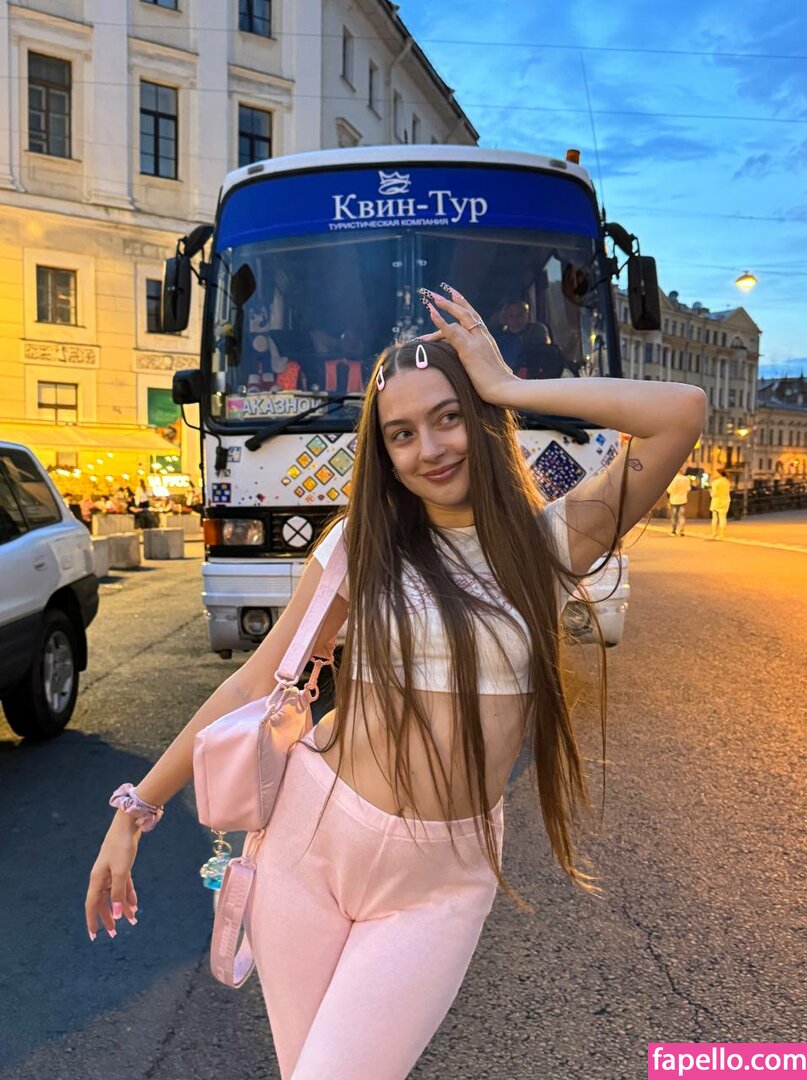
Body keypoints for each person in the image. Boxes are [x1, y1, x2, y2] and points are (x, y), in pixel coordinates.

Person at [85, 284, 705, 1079]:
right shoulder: (363, 546)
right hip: (310, 847)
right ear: (384, 452)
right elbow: (252, 683)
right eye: (402, 434)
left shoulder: (550, 543)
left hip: (439, 883)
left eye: (449, 417)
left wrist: (507, 382)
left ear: (482, 416)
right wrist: (135, 812)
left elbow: (680, 412)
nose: (430, 449)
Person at [666, 468, 692, 536]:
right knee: (681, 515)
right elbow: (688, 489)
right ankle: (682, 531)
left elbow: (669, 490)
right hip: (683, 499)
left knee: (674, 516)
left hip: (674, 500)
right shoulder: (686, 479)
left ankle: (673, 531)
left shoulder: (673, 479)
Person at [710, 468, 732, 540]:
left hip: (716, 501)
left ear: (719, 474)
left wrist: (710, 492)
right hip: (725, 501)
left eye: (716, 473)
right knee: (723, 518)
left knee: (715, 518)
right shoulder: (727, 481)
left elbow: (714, 494)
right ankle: (722, 534)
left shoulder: (715, 482)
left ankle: (714, 533)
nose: (714, 474)